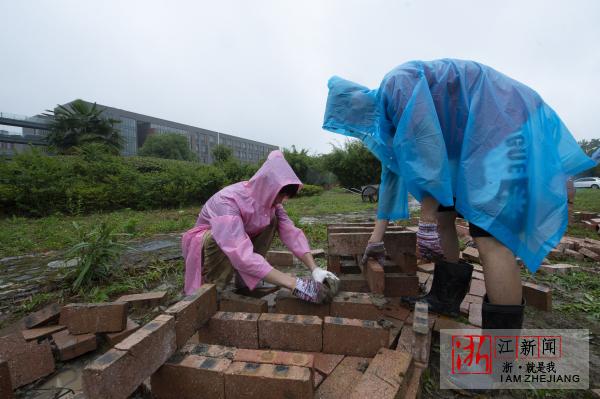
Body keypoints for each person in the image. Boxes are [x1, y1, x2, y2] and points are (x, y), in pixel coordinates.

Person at [323, 59, 595, 329]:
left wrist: (425, 219)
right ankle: (445, 298)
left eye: (350, 117)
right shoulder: (387, 120)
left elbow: (427, 147)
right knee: (445, 216)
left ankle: (501, 351)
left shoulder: (397, 84)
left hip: (502, 124)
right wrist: (376, 238)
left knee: (491, 236)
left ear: (356, 100)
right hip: (472, 141)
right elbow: (393, 176)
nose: (355, 126)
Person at [181, 150, 339, 303]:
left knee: (273, 220)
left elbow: (291, 233)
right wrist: (294, 284)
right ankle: (214, 289)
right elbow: (238, 251)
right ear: (268, 187)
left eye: (286, 196)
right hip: (208, 244)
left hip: (237, 242)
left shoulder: (270, 205)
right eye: (281, 194)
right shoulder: (228, 201)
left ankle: (245, 281)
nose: (283, 200)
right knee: (219, 236)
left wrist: (314, 269)